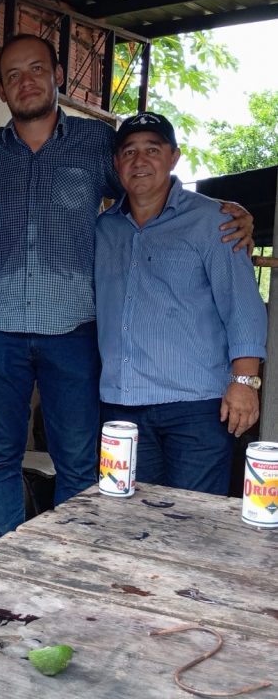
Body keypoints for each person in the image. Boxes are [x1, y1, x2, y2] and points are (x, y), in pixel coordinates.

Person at [0, 33, 254, 539]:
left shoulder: (96, 143)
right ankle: (5, 563)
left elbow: (150, 185)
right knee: (2, 457)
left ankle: (76, 559)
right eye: (13, 74)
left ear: (58, 76)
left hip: (74, 331)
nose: (26, 82)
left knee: (78, 462)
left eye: (37, 69)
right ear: (1, 89)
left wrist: (231, 213)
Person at [96, 112, 267, 493]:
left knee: (192, 518)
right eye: (129, 152)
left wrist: (244, 382)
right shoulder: (103, 229)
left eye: (153, 150)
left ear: (174, 157)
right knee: (126, 518)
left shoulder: (214, 222)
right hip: (122, 407)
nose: (140, 161)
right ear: (117, 163)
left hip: (196, 409)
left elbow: (242, 307)